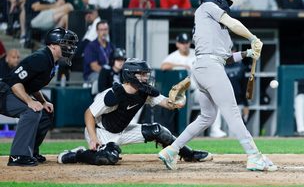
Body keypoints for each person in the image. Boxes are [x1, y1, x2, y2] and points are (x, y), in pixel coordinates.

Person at [158, 0, 277, 171]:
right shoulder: (206, 7)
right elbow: (232, 23)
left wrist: (247, 53)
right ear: (215, 0)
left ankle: (171, 151)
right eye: (223, 1)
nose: (225, 6)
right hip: (209, 68)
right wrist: (253, 38)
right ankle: (254, 156)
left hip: (206, 67)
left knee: (207, 117)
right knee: (232, 112)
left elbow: (225, 58)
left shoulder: (213, 27)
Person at [57, 58, 212, 165]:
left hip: (123, 130)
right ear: (131, 75)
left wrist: (176, 102)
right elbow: (88, 114)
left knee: (159, 131)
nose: (146, 77)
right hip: (101, 131)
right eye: (142, 74)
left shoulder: (144, 91)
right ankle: (76, 154)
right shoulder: (114, 94)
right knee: (109, 158)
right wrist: (92, 138)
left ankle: (188, 154)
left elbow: (166, 102)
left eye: (146, 74)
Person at [0, 27, 78, 166]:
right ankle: (18, 156)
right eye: (64, 43)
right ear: (53, 45)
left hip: (11, 90)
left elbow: (32, 86)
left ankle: (30, 151)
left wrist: (42, 101)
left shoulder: (50, 61)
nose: (68, 46)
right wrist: (30, 102)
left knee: (46, 113)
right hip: (4, 91)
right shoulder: (40, 58)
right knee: (31, 111)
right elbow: (15, 82)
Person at [83, 20, 114, 85]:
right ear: (97, 31)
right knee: (102, 79)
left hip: (108, 73)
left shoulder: (111, 46)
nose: (104, 32)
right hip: (92, 74)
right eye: (101, 30)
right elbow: (94, 66)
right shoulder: (91, 46)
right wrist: (108, 74)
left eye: (105, 29)